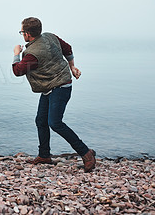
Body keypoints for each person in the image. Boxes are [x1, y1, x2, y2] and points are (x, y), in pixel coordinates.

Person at [12, 17, 96, 173]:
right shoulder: (50, 36)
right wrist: (72, 66)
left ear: (28, 34)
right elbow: (68, 48)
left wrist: (17, 53)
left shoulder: (32, 54)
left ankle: (86, 153)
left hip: (61, 87)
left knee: (55, 123)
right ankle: (44, 155)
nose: (22, 34)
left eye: (22, 31)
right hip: (51, 86)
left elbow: (18, 70)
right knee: (41, 120)